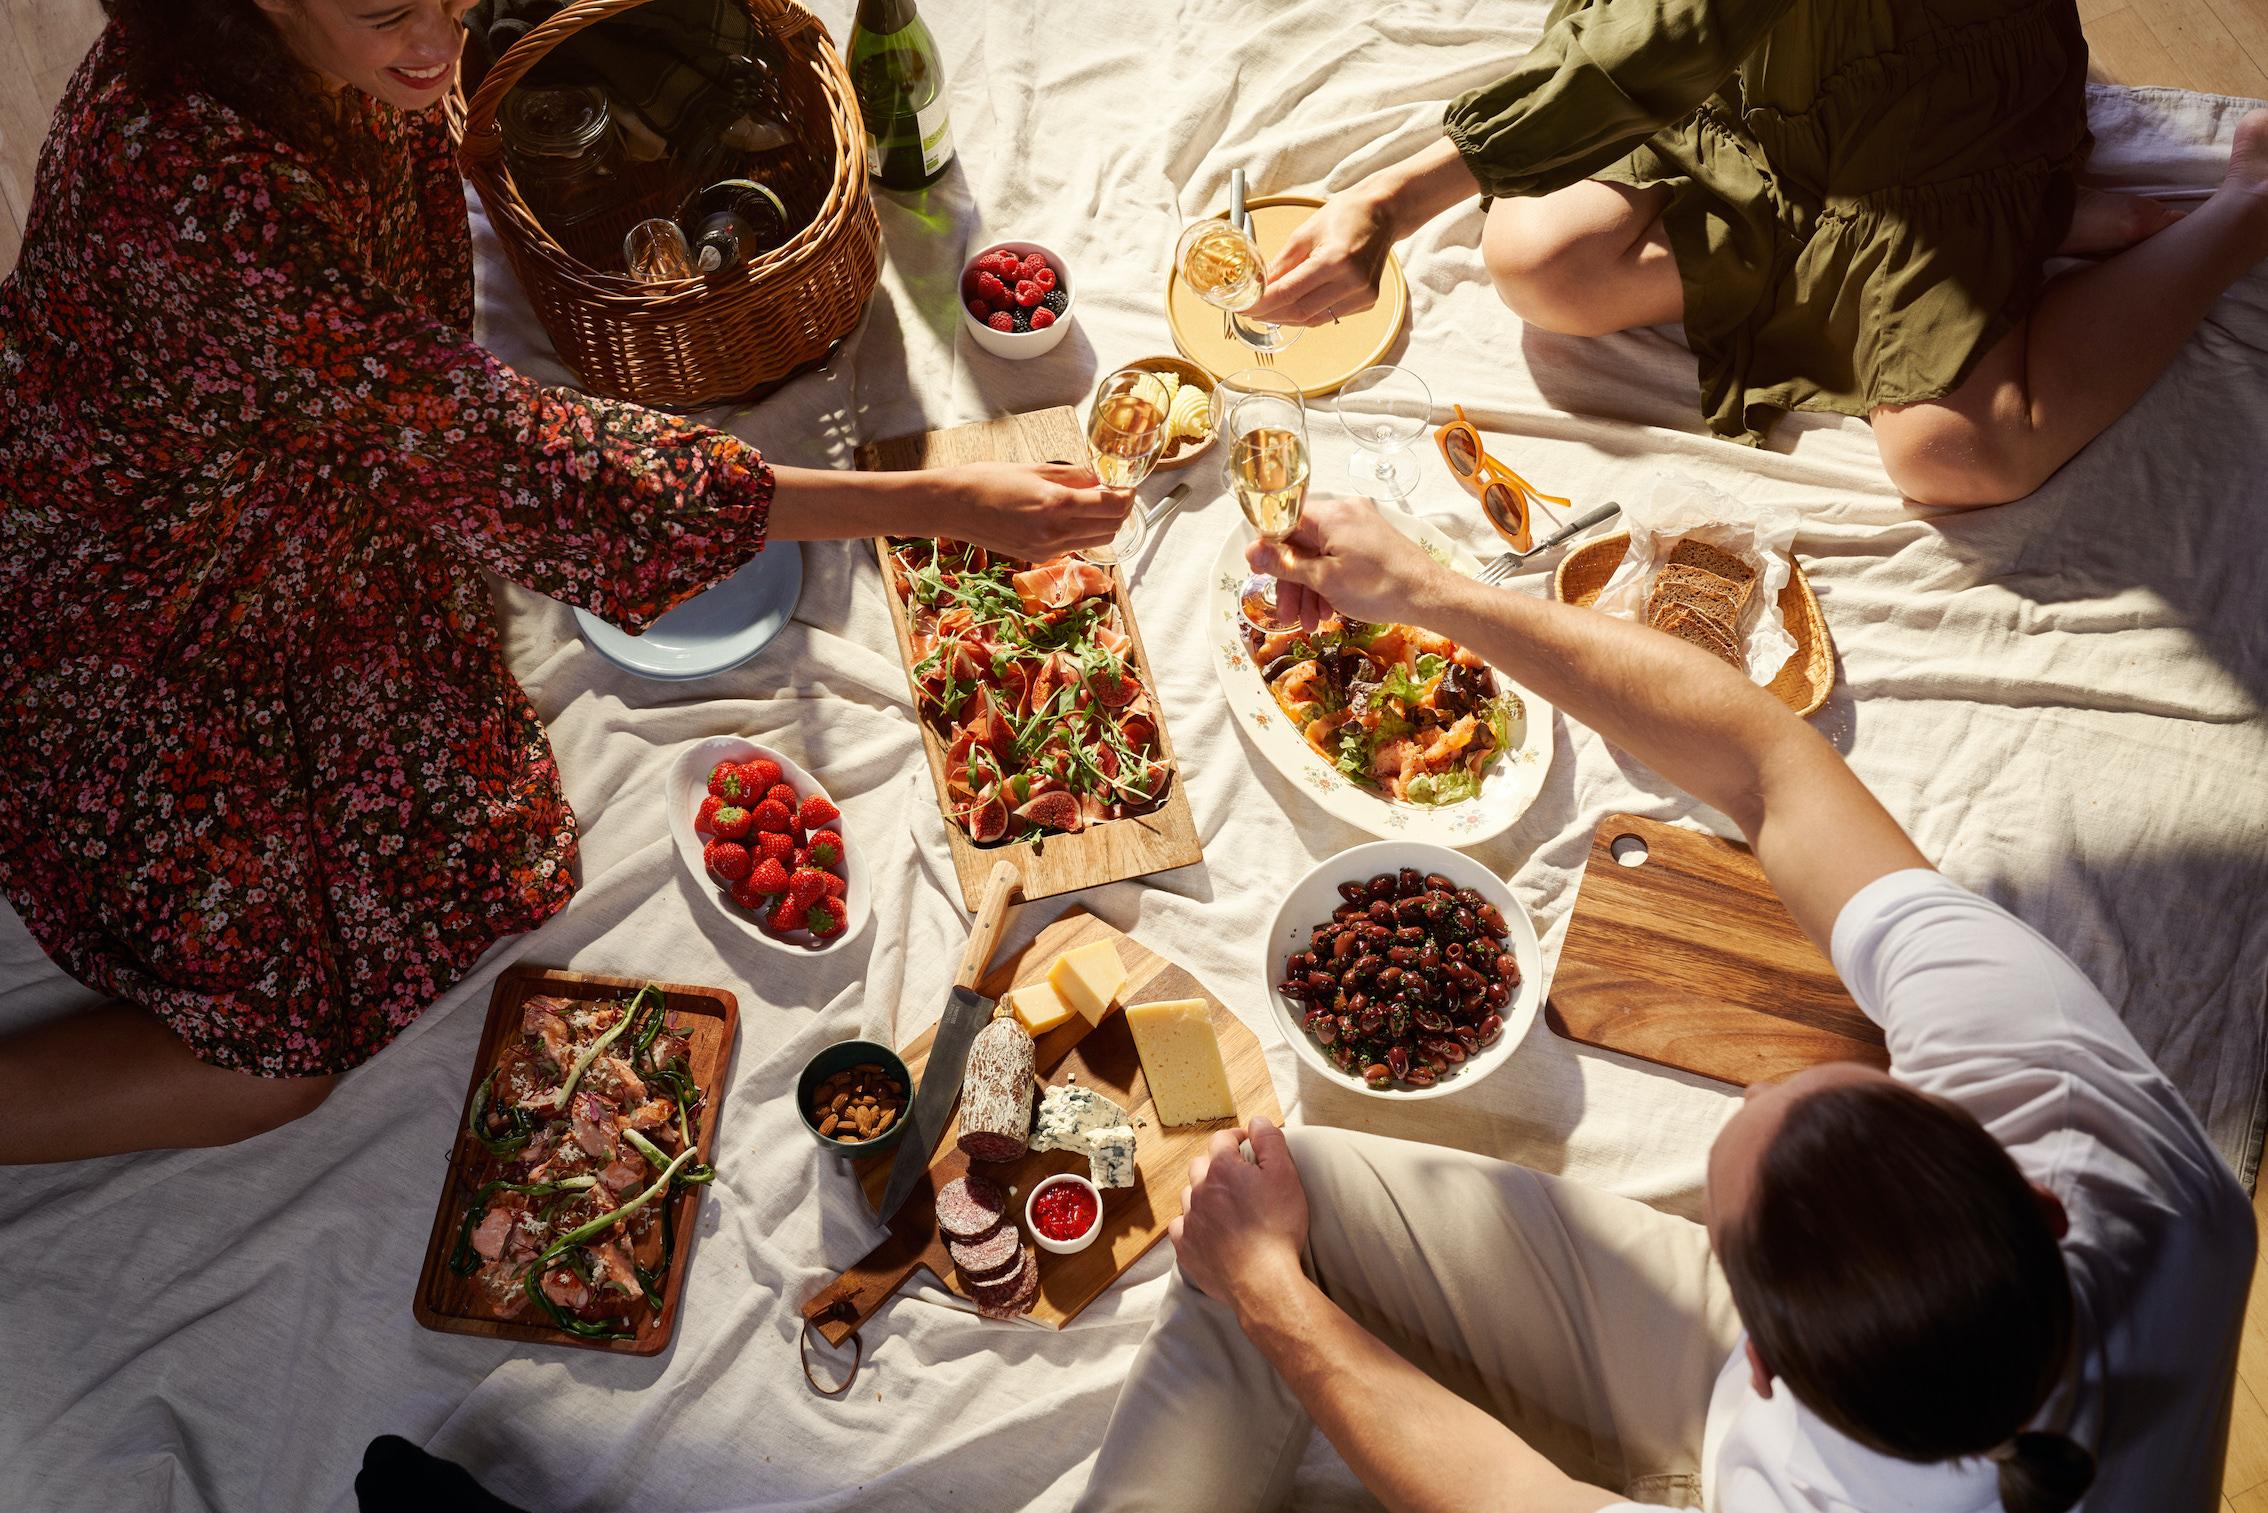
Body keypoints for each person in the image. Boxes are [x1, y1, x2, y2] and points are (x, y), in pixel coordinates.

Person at [0, 0, 1124, 1163]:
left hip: (328, 473)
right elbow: (534, 465)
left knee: (462, 840)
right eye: (391, 12)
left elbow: (423, 418)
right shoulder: (206, 208)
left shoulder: (304, 59)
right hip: (154, 595)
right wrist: (937, 501)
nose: (442, 40)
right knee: (273, 1061)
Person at [1075, 495, 2255, 1512]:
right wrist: (1432, 592)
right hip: (1891, 1384)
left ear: (1758, 1363)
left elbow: (1512, 1496)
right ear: (2034, 1192)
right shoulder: (2082, 1104)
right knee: (1285, 1184)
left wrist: (1270, 1291)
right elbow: (1764, 760)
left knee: (1256, 1251)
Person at [1245, 0, 2268, 509]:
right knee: (1534, 260)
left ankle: (2240, 213)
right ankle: (2012, 233)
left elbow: (1675, 30)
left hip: (1924, 99)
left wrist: (1395, 195)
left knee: (1956, 455)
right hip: (1746, 75)